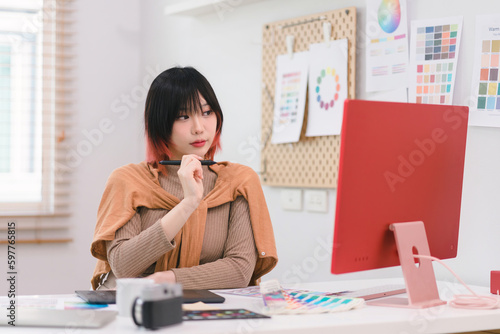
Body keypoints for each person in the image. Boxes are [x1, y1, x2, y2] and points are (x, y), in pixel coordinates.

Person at [90, 67, 278, 290]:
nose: (199, 128)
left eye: (207, 113)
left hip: (207, 311)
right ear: (160, 123)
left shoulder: (238, 181)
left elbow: (239, 270)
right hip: (135, 309)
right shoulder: (128, 180)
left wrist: (166, 279)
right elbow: (123, 266)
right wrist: (188, 204)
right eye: (183, 116)